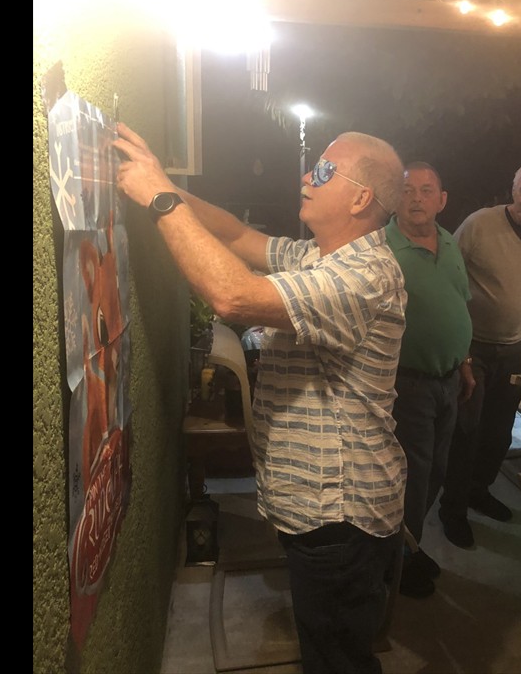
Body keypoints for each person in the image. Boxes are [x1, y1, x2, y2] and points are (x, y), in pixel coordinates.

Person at [114, 122, 407, 674]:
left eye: (324, 171)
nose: (306, 178)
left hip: (341, 514)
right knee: (329, 644)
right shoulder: (318, 256)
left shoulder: (364, 276)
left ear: (360, 198)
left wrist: (158, 198)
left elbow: (233, 295)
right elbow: (232, 236)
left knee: (338, 659)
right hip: (320, 507)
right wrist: (161, 180)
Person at [439, 162, 521, 548]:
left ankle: (479, 491)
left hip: (515, 349)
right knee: (466, 432)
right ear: (513, 189)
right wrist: (460, 346)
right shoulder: (479, 224)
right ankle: (452, 508)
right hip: (472, 349)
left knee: (499, 431)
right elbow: (447, 278)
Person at [385, 162, 475, 598]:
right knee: (411, 480)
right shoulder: (381, 248)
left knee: (436, 470)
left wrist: (465, 361)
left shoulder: (449, 241)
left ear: (442, 200)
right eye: (407, 190)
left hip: (448, 380)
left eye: (426, 190)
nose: (416, 198)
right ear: (394, 198)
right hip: (407, 384)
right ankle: (397, 565)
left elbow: (458, 302)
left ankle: (410, 547)